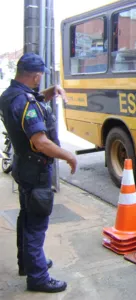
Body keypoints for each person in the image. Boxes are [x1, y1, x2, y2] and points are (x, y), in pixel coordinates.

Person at [0, 53, 77, 293]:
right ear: (35, 75)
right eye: (40, 76)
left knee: (26, 217)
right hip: (36, 171)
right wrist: (69, 155)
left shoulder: (9, 95)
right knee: (36, 225)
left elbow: (25, 105)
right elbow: (40, 141)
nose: (40, 80)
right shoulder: (25, 102)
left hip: (23, 166)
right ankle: (38, 278)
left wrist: (49, 92)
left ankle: (29, 263)